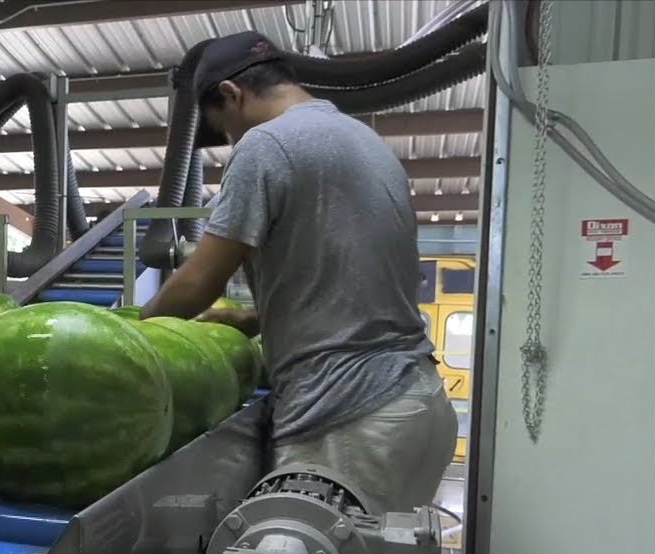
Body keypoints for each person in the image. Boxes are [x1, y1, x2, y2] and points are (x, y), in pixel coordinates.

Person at [139, 33, 457, 516]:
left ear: (231, 94)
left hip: (347, 418)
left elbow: (199, 283)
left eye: (224, 129)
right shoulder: (362, 139)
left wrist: (133, 333)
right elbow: (353, 281)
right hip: (416, 404)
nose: (230, 141)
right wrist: (253, 318)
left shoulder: (266, 144)